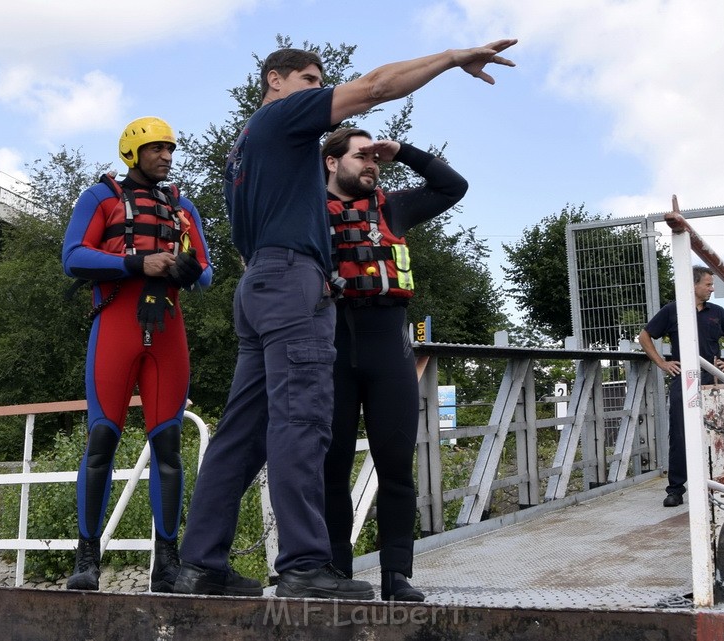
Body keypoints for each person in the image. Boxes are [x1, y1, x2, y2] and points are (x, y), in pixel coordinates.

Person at [174, 40, 517, 600]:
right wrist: (452, 58)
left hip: (258, 283)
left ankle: (201, 564)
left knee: (241, 434)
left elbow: (241, 237)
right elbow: (378, 86)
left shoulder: (241, 153)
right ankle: (305, 565)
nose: (319, 89)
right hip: (291, 285)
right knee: (301, 424)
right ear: (275, 81)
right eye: (310, 79)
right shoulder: (283, 118)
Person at [61, 116, 213, 591]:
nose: (167, 156)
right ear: (133, 152)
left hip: (168, 333)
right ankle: (87, 559)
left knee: (168, 447)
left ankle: (165, 564)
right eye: (156, 149)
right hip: (116, 327)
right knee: (102, 439)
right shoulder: (99, 198)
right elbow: (72, 257)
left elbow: (206, 274)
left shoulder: (183, 207)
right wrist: (135, 262)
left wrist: (185, 267)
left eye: (171, 149)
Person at [321, 128, 467, 601]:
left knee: (395, 464)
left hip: (389, 342)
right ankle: (336, 573)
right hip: (332, 343)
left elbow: (453, 187)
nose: (372, 163)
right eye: (360, 155)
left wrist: (403, 152)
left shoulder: (392, 207)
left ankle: (396, 575)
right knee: (331, 466)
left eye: (375, 157)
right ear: (331, 163)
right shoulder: (305, 210)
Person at [638, 265, 724, 507]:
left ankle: (719, 486)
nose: (712, 289)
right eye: (708, 284)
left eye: (712, 284)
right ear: (693, 285)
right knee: (680, 433)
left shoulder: (717, 312)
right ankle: (676, 490)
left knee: (717, 433)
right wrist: (662, 363)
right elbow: (644, 336)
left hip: (711, 378)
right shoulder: (672, 311)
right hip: (685, 379)